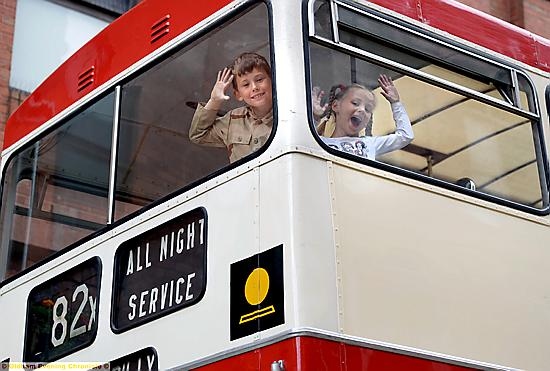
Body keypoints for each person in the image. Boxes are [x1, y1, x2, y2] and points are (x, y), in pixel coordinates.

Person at [189, 52, 273, 163]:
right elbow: (197, 135)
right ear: (238, 94)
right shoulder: (233, 120)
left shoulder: (289, 110)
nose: (254, 87)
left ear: (273, 80)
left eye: (259, 80)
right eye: (246, 85)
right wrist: (214, 101)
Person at [313, 74, 413, 160]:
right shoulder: (322, 142)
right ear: (335, 106)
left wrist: (396, 103)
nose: (362, 110)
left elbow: (405, 136)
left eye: (368, 109)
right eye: (355, 103)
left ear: (366, 122)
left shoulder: (369, 143)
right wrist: (315, 117)